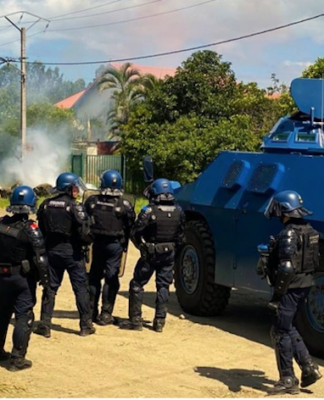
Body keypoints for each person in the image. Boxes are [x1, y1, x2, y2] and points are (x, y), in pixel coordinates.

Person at [260, 190, 322, 394]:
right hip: (304, 285)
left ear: (285, 210)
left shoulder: (289, 233)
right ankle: (308, 368)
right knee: (288, 326)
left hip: (290, 287)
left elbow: (286, 267)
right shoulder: (311, 231)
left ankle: (287, 378)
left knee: (280, 330)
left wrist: (277, 297)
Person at [34, 172, 95, 338]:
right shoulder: (76, 207)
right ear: (68, 188)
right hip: (73, 253)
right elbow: (85, 233)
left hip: (52, 252)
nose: (76, 190)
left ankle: (45, 325)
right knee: (80, 288)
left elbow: (41, 229)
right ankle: (85, 325)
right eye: (74, 187)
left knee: (50, 288)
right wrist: (89, 240)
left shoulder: (45, 205)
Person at [120, 178, 185, 332]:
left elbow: (135, 232)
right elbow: (181, 237)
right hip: (169, 253)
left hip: (150, 253)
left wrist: (142, 247)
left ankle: (135, 320)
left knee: (137, 284)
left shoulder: (148, 210)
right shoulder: (179, 211)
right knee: (163, 286)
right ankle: (159, 322)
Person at [0, 185, 50, 371]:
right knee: (23, 316)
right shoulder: (31, 229)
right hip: (21, 278)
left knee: (2, 314)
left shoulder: (1, 223)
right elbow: (41, 259)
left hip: (2, 278)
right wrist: (45, 282)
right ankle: (17, 359)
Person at [84, 169, 136, 325]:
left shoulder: (92, 201)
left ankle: (91, 312)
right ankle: (106, 314)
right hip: (115, 246)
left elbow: (85, 221)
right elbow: (131, 225)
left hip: (97, 243)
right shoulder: (124, 204)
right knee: (111, 279)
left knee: (94, 277)